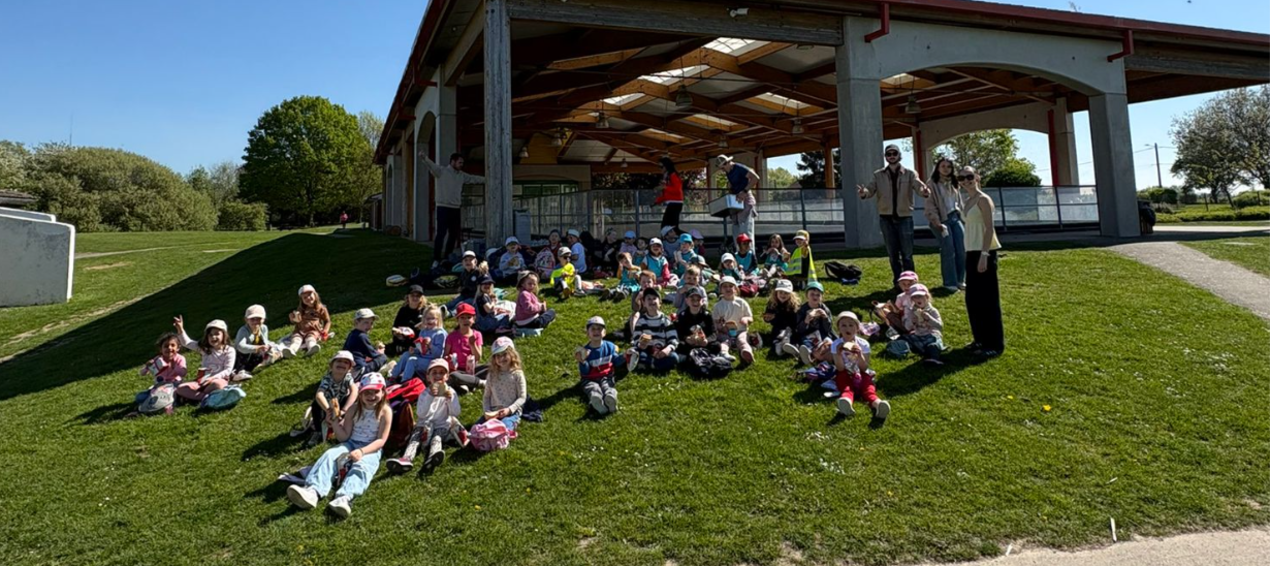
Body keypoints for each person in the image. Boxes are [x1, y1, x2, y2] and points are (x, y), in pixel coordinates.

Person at [286, 373, 392, 519]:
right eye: (367, 392)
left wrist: (362, 451)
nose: (371, 396)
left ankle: (344, 497)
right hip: (351, 443)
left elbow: (381, 440)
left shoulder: (385, 411)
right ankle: (313, 491)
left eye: (375, 391)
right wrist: (335, 423)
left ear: (383, 392)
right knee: (329, 455)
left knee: (362, 467)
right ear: (360, 394)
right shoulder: (353, 410)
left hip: (371, 448)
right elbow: (344, 437)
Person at [855, 144, 931, 281]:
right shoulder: (878, 175)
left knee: (907, 254)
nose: (891, 156)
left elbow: (919, 186)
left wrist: (924, 192)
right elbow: (870, 190)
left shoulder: (910, 173)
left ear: (899, 155)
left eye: (894, 153)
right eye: (888, 154)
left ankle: (911, 282)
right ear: (886, 157)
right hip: (886, 219)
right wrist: (863, 193)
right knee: (892, 254)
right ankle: (898, 281)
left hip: (905, 218)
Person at [385, 359, 465, 474]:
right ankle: (406, 459)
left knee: (437, 439)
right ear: (428, 377)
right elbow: (421, 414)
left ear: (447, 376)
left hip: (441, 425)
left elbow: (455, 413)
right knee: (414, 439)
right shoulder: (425, 393)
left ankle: (433, 456)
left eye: (442, 373)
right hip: (423, 424)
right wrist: (431, 397)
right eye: (434, 373)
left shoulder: (451, 392)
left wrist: (450, 399)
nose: (438, 375)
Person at [958, 166, 1004, 357]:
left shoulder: (984, 199)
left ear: (977, 177)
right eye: (962, 177)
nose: (966, 180)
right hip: (971, 251)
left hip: (984, 252)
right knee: (973, 299)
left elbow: (989, 228)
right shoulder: (967, 200)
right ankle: (980, 339)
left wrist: (985, 255)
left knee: (988, 300)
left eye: (969, 176)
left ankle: (994, 344)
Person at [418, 150, 485, 268]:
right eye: (459, 162)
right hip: (443, 208)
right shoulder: (441, 172)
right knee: (441, 233)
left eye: (462, 163)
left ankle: (447, 256)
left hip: (455, 209)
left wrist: (488, 180)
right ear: (452, 162)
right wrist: (424, 157)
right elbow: (431, 165)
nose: (461, 165)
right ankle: (437, 259)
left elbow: (473, 179)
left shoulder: (462, 175)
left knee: (454, 234)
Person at [829, 312, 890, 421]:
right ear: (839, 328)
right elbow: (840, 368)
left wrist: (860, 355)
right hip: (845, 371)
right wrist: (838, 354)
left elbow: (864, 368)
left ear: (857, 328)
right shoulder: (836, 344)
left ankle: (878, 404)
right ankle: (846, 402)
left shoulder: (863, 344)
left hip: (860, 372)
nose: (847, 328)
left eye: (851, 325)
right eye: (843, 325)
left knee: (868, 388)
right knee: (846, 386)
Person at [297, 351, 360, 446]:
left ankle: (342, 426)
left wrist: (344, 409)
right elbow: (319, 395)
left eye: (346, 362)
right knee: (316, 406)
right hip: (326, 403)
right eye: (339, 361)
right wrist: (328, 410)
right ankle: (317, 430)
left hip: (341, 401)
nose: (342, 364)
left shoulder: (348, 377)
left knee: (352, 402)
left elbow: (354, 391)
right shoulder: (328, 378)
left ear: (349, 368)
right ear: (331, 365)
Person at [924, 157, 966, 291]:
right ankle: (949, 282)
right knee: (949, 250)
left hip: (955, 218)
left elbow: (959, 202)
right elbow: (930, 206)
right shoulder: (931, 183)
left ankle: (960, 280)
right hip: (941, 219)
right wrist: (937, 222)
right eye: (943, 166)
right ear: (937, 168)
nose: (946, 169)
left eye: (949, 166)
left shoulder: (954, 183)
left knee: (961, 249)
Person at [173, 316, 235, 404]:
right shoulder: (204, 349)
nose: (213, 337)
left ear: (224, 335)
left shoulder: (229, 350)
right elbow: (186, 343)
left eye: (217, 334)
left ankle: (194, 396)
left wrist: (213, 378)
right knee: (181, 388)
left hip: (217, 380)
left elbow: (228, 370)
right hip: (202, 381)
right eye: (210, 335)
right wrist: (180, 328)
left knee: (219, 385)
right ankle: (205, 397)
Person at [625, 288, 680, 374]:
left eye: (654, 298)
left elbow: (673, 338)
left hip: (661, 349)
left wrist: (667, 349)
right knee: (639, 353)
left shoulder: (665, 320)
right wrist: (641, 344)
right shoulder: (641, 321)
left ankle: (648, 364)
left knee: (674, 357)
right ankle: (653, 364)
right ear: (644, 303)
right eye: (649, 299)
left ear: (660, 303)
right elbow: (636, 338)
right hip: (646, 349)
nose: (652, 301)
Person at [133, 332, 187, 414]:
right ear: (161, 349)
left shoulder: (180, 358)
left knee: (173, 394)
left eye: (173, 345)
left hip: (174, 384)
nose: (169, 348)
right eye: (166, 346)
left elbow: (183, 373)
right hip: (159, 386)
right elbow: (142, 373)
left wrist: (174, 366)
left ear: (178, 348)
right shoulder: (158, 360)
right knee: (139, 397)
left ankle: (169, 407)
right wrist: (147, 367)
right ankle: (148, 406)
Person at [390, 305, 446, 384]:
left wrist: (430, 345)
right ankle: (393, 376)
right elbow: (421, 350)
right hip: (423, 357)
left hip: (434, 361)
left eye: (433, 318)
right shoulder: (423, 331)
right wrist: (415, 351)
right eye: (427, 318)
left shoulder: (440, 334)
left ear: (438, 319)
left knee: (412, 361)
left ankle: (405, 383)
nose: (430, 321)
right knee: (406, 354)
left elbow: (439, 354)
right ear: (423, 319)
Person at [479, 337, 526, 431]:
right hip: (494, 411)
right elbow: (487, 396)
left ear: (512, 354)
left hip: (511, 412)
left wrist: (509, 410)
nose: (501, 358)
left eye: (504, 354)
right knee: (478, 428)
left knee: (503, 428)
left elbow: (522, 397)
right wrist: (487, 411)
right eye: (498, 356)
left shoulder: (517, 374)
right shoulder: (492, 375)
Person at [576, 316, 620, 415]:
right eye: (593, 329)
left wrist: (625, 356)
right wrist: (582, 362)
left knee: (607, 386)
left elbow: (616, 361)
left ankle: (610, 399)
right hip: (589, 378)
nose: (596, 331)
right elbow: (585, 371)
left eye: (599, 329)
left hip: (606, 376)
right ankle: (597, 400)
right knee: (592, 387)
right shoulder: (584, 351)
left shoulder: (610, 347)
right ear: (588, 333)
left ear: (604, 332)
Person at [782, 281, 831, 365]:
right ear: (806, 296)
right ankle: (805, 353)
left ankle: (805, 355)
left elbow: (828, 329)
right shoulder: (802, 310)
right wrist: (806, 321)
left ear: (822, 297)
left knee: (827, 343)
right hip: (807, 334)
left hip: (821, 334)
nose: (815, 297)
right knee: (806, 342)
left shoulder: (824, 309)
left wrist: (825, 318)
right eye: (812, 294)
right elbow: (799, 329)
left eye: (818, 295)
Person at [716, 154, 759, 245]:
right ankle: (738, 254)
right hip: (736, 201)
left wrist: (744, 191)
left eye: (723, 168)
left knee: (746, 231)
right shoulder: (729, 172)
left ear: (727, 163)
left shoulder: (739, 168)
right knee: (736, 230)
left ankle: (749, 256)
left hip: (745, 200)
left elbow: (755, 178)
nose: (723, 170)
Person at [443, 303, 486, 393]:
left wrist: (472, 344)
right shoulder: (452, 336)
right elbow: (446, 355)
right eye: (462, 317)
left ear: (473, 319)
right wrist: (449, 359)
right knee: (453, 375)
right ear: (457, 320)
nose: (465, 320)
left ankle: (466, 383)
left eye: (468, 317)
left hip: (473, 368)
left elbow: (478, 357)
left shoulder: (477, 334)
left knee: (491, 367)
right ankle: (477, 383)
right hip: (457, 369)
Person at [712, 276, 755, 365]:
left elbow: (750, 317)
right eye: (725, 286)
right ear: (720, 290)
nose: (728, 288)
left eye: (731, 286)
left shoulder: (741, 303)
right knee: (725, 341)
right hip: (725, 332)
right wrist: (720, 327)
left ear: (735, 289)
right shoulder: (718, 306)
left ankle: (746, 352)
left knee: (742, 340)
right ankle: (724, 353)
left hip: (740, 330)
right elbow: (715, 322)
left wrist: (746, 319)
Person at [233, 304, 281, 381]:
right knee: (244, 355)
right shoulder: (243, 331)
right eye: (252, 319)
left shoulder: (264, 328)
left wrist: (267, 347)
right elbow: (240, 347)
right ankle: (239, 371)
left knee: (262, 353)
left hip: (255, 352)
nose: (256, 322)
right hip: (242, 354)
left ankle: (249, 368)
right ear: (246, 320)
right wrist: (257, 348)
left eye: (259, 319)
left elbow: (265, 341)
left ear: (263, 319)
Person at [282, 284, 330, 358]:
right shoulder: (301, 309)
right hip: (300, 330)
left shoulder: (321, 308)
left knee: (310, 338)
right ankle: (291, 350)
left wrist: (325, 330)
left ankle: (312, 347)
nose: (308, 298)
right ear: (302, 300)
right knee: (296, 339)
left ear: (315, 295)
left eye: (310, 295)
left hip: (313, 330)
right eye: (305, 297)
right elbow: (297, 321)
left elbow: (327, 321)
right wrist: (292, 319)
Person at [903, 284, 944, 365]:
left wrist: (929, 318)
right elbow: (907, 327)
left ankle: (933, 358)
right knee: (903, 339)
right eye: (915, 297)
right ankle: (901, 352)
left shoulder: (932, 311)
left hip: (931, 336)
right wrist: (912, 321)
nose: (918, 299)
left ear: (927, 297)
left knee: (933, 345)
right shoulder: (912, 311)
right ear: (912, 299)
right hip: (918, 336)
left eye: (920, 296)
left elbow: (940, 326)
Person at [872, 271, 919, 339]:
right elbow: (897, 312)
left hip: (916, 320)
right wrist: (891, 306)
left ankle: (902, 329)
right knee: (884, 310)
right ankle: (898, 327)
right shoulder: (900, 297)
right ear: (900, 285)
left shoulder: (918, 295)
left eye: (909, 284)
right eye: (903, 284)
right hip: (903, 319)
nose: (906, 286)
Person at [343, 309, 392, 374]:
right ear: (356, 322)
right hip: (359, 369)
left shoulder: (352, 334)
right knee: (383, 357)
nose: (370, 326)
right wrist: (380, 352)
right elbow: (374, 355)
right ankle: (380, 370)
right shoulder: (361, 336)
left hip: (349, 367)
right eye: (366, 322)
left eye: (371, 323)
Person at [763, 279, 800, 355]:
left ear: (790, 294)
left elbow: (795, 320)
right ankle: (779, 345)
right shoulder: (772, 303)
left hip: (791, 327)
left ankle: (791, 345)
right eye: (780, 292)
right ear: (776, 293)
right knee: (776, 335)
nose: (783, 295)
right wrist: (767, 318)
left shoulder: (794, 305)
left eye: (786, 293)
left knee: (793, 335)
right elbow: (768, 315)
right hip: (778, 326)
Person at [674, 286, 715, 356]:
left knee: (716, 346)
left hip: (703, 342)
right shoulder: (682, 316)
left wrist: (707, 340)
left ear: (702, 301)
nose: (695, 302)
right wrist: (686, 338)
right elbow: (679, 332)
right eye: (692, 300)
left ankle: (705, 354)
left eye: (698, 300)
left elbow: (713, 333)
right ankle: (687, 356)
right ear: (686, 301)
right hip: (690, 342)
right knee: (681, 346)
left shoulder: (707, 315)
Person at [389, 286, 428, 357]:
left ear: (422, 298)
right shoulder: (403, 310)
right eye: (412, 295)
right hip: (405, 337)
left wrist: (424, 326)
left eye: (418, 296)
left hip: (419, 337)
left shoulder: (425, 310)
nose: (415, 298)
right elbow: (395, 327)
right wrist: (398, 333)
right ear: (408, 297)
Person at [445, 251, 485, 316]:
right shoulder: (463, 274)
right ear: (462, 263)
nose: (468, 262)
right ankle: (440, 309)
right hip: (465, 295)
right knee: (453, 302)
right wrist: (459, 293)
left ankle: (450, 313)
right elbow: (461, 286)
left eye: (470, 260)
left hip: (475, 297)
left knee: (461, 304)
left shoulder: (478, 273)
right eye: (465, 260)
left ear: (475, 262)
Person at [654, 157, 684, 233]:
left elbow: (677, 190)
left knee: (668, 227)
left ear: (666, 166)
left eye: (661, 167)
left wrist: (664, 187)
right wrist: (657, 201)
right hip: (672, 203)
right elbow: (667, 194)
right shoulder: (667, 176)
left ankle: (691, 240)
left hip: (675, 203)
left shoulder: (673, 175)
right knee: (670, 227)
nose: (660, 169)